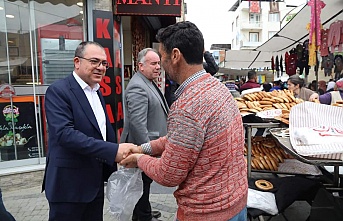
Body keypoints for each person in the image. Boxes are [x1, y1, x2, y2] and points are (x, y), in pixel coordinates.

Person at [120, 21, 247, 221]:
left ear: (176, 55)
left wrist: (138, 159)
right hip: (235, 202)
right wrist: (144, 148)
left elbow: (169, 175)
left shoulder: (187, 105)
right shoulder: (218, 87)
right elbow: (180, 139)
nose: (161, 63)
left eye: (162, 56)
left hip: (206, 212)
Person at [42, 41, 138, 221]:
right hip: (68, 188)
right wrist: (113, 151)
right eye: (94, 61)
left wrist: (119, 157)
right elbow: (65, 134)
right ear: (77, 62)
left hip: (93, 185)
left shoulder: (97, 91)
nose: (101, 68)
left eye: (104, 63)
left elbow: (100, 131)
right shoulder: (58, 91)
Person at [120, 48, 169, 221]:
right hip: (140, 146)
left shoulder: (146, 81)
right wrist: (147, 150)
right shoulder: (137, 87)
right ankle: (142, 216)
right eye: (153, 63)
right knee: (140, 184)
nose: (158, 67)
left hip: (146, 145)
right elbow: (137, 124)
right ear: (141, 66)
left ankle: (144, 210)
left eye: (158, 63)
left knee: (144, 184)